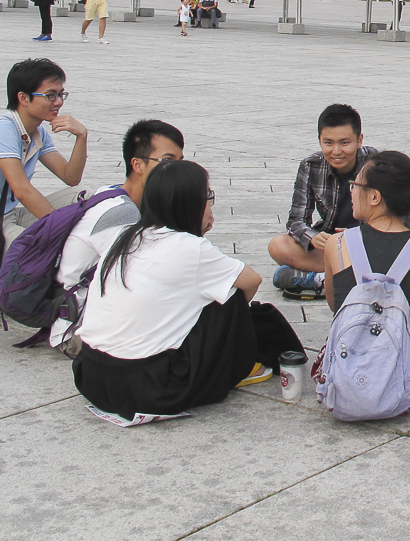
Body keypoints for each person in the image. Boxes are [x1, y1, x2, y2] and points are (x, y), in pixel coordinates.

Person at [72, 159, 302, 422]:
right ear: (191, 203)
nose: (211, 203)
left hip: (90, 376)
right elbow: (252, 281)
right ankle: (241, 363)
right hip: (149, 388)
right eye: (208, 196)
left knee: (210, 290)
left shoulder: (126, 237)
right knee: (231, 296)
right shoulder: (188, 247)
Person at [318, 150, 410, 411]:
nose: (351, 190)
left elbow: (335, 306)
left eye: (356, 185)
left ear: (375, 197)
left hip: (342, 383)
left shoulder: (337, 244)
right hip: (407, 390)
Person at [52, 120, 186, 348]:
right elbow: (140, 279)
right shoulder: (121, 213)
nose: (177, 171)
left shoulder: (118, 194)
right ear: (137, 164)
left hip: (102, 319)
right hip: (84, 332)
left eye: (180, 163)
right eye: (166, 161)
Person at [0, 59, 90, 255]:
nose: (58, 102)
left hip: (11, 214)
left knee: (86, 198)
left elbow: (70, 177)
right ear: (23, 98)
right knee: (38, 252)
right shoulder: (3, 128)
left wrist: (81, 136)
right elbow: (22, 190)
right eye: (50, 95)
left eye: (60, 94)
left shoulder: (37, 131)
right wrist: (60, 229)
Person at [268, 104, 377, 298]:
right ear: (320, 141)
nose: (336, 151)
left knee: (389, 253)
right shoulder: (310, 166)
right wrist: (312, 237)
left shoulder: (376, 163)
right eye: (328, 143)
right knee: (278, 245)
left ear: (359, 140)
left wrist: (362, 236)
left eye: (345, 143)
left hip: (367, 244)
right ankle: (349, 277)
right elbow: (296, 220)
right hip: (329, 244)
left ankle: (321, 279)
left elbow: (397, 220)